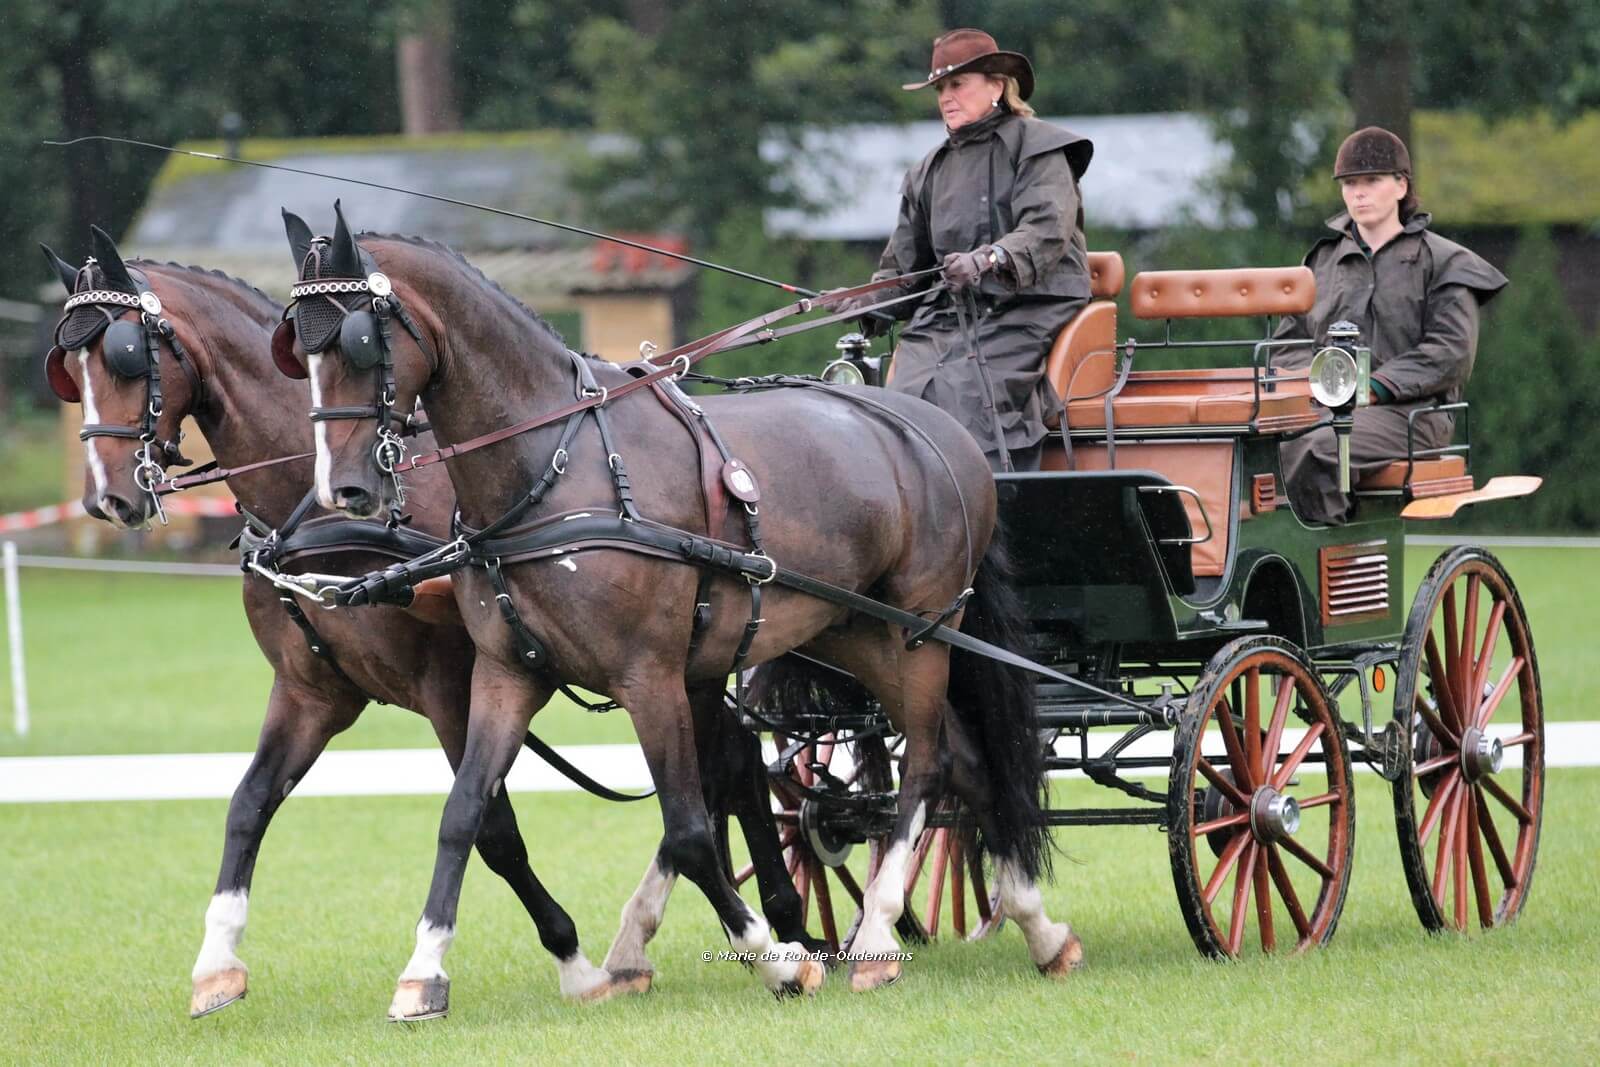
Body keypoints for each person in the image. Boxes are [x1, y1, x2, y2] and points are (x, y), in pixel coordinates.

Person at [836, 28, 1093, 472]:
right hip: (949, 314)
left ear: (996, 85)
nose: (946, 97)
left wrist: (990, 259)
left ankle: (993, 514)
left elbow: (1046, 228)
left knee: (961, 393)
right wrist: (865, 303)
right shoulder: (929, 170)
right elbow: (906, 267)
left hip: (1027, 306)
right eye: (940, 88)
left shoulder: (1040, 148)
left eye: (957, 84)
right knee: (900, 403)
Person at [1276, 126, 1507, 524]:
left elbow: (1450, 353)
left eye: (1371, 181)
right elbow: (1287, 343)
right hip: (1323, 410)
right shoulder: (1319, 264)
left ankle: (1335, 558)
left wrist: (1373, 387)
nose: (1358, 193)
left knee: (1319, 448)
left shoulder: (1445, 262)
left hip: (1415, 415)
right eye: (1349, 183)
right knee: (1258, 448)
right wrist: (1317, 384)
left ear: (1401, 186)